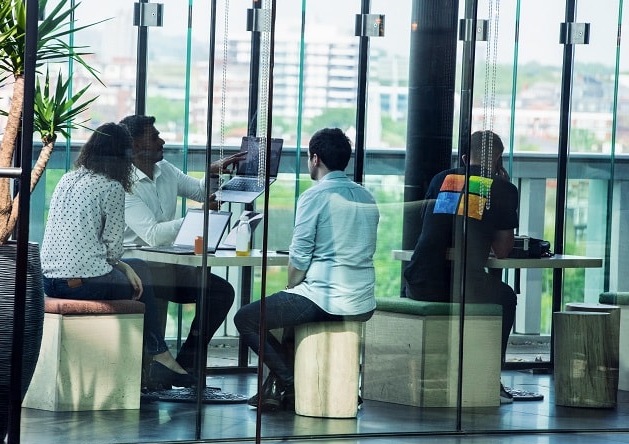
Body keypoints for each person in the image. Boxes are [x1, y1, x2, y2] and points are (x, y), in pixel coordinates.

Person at [233, 128, 380, 412]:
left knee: (246, 319)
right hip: (362, 300)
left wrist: (291, 286)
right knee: (289, 312)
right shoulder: (366, 196)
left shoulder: (314, 196)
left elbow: (299, 260)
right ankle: (280, 388)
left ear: (315, 159)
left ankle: (290, 382)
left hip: (327, 300)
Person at [40, 122, 195, 389]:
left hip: (49, 280)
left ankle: (157, 359)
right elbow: (113, 249)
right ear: (124, 155)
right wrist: (123, 266)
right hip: (83, 283)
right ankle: (160, 357)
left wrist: (123, 266)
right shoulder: (112, 187)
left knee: (137, 268)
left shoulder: (69, 178)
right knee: (142, 273)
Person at [119, 115, 247, 384]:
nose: (161, 140)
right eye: (154, 136)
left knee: (221, 292)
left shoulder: (165, 170)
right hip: (135, 269)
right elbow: (153, 235)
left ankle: (187, 365)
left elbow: (202, 193)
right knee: (217, 290)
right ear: (137, 145)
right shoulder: (124, 184)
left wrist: (213, 172)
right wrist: (196, 217)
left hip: (164, 266)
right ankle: (179, 370)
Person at [403, 130, 518, 404]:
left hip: (419, 281)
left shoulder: (442, 178)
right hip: (461, 284)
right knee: (506, 297)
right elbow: (502, 250)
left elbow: (430, 229)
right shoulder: (501, 188)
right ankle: (489, 378)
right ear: (499, 159)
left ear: (465, 158)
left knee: (483, 289)